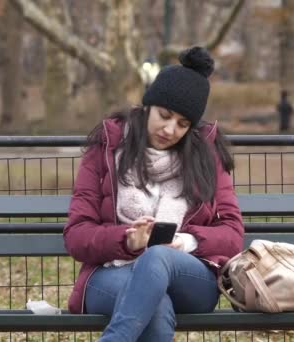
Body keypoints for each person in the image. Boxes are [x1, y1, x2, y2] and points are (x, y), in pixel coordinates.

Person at [63, 46, 244, 342]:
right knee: (154, 305)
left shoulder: (206, 156)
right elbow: (77, 235)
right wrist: (127, 240)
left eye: (183, 124)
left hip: (189, 276)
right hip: (110, 273)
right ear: (148, 104)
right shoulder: (106, 148)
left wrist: (186, 241)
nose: (170, 130)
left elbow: (233, 234)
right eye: (165, 115)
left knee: (158, 255)